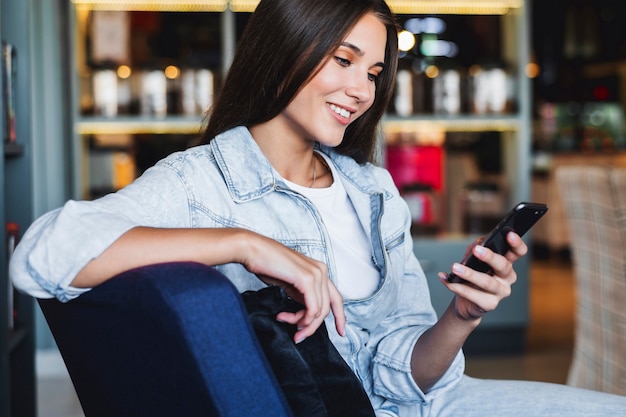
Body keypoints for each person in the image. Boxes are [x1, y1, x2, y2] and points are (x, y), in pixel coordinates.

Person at [10, 0, 626, 416]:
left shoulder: (373, 190)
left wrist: (462, 315)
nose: (362, 90)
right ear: (286, 48)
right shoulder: (204, 183)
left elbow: (406, 372)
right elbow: (41, 254)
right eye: (343, 60)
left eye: (376, 71)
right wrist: (244, 245)